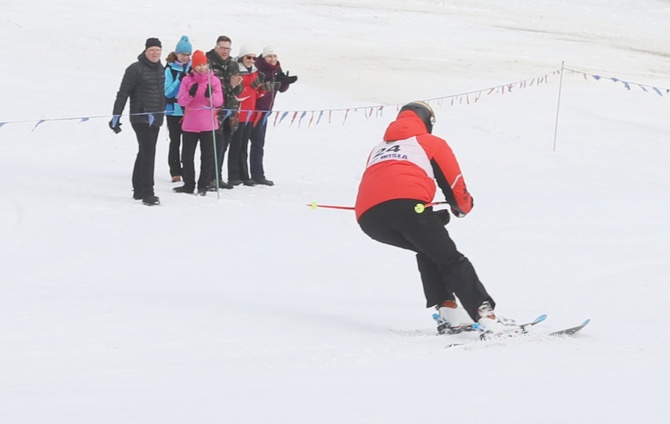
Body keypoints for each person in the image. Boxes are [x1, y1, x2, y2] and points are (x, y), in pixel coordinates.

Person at [354, 101, 517, 334]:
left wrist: (431, 218)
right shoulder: (429, 142)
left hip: (369, 218)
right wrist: (462, 206)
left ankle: (450, 311)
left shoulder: (378, 148)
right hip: (409, 208)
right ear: (427, 121)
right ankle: (486, 315)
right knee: (451, 260)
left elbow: (386, 184)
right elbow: (453, 183)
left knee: (429, 250)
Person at [110, 37, 166, 206]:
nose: (155, 53)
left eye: (157, 50)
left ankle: (138, 190)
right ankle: (148, 192)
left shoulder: (161, 69)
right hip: (140, 117)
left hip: (156, 117)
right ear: (145, 51)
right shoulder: (135, 69)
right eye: (152, 50)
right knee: (149, 152)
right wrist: (116, 115)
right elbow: (123, 93)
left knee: (144, 152)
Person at [174, 50, 224, 196]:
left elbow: (219, 101)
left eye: (204, 64)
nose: (202, 68)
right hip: (190, 124)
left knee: (207, 156)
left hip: (208, 124)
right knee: (187, 156)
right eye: (198, 65)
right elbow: (181, 101)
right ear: (193, 66)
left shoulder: (214, 80)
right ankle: (188, 184)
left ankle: (204, 184)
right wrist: (190, 94)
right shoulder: (187, 80)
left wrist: (211, 96)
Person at [250, 45, 298, 186]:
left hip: (265, 112)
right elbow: (258, 88)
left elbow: (280, 89)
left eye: (275, 56)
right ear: (263, 57)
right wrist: (273, 83)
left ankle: (258, 174)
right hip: (253, 111)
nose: (272, 59)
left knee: (258, 144)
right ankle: (245, 174)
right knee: (248, 143)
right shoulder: (258, 68)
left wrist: (285, 82)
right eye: (269, 56)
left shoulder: (277, 68)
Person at [206, 36, 244, 190]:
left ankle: (218, 176)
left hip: (231, 112)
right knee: (216, 146)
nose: (224, 51)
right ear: (216, 48)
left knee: (224, 145)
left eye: (227, 49)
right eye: (222, 48)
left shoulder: (233, 65)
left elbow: (239, 90)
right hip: (215, 112)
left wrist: (236, 86)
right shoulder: (208, 62)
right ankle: (210, 178)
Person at [227, 45, 268, 186]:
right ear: (242, 57)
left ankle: (244, 174)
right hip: (239, 112)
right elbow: (237, 91)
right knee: (236, 144)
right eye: (248, 57)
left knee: (244, 144)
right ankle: (233, 174)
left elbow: (256, 93)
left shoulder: (256, 72)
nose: (251, 60)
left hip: (250, 112)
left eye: (253, 58)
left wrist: (263, 89)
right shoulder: (237, 70)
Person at [164, 35, 192, 183]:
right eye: (183, 54)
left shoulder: (193, 67)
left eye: (188, 55)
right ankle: (175, 170)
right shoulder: (169, 69)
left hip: (189, 110)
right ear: (176, 54)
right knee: (175, 140)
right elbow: (167, 91)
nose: (185, 58)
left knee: (188, 141)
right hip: (173, 109)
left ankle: (187, 169)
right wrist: (179, 80)